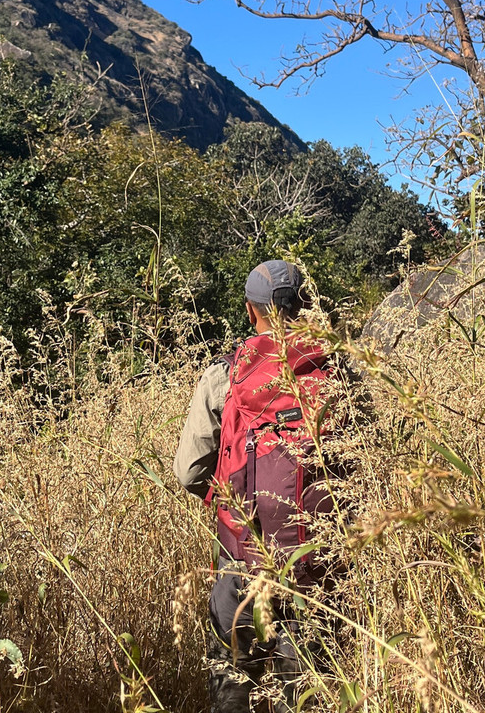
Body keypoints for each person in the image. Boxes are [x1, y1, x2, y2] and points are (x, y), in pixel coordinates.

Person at [175, 260, 335, 713]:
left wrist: (229, 500)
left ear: (251, 310)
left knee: (233, 687)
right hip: (315, 568)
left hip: (241, 560)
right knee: (303, 694)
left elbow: (188, 471)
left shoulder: (223, 376)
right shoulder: (338, 371)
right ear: (305, 307)